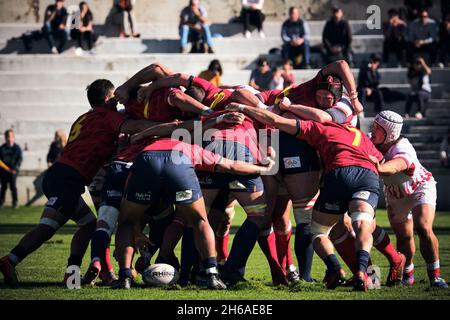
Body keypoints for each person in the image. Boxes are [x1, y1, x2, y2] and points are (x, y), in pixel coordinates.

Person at [0, 79, 173, 286]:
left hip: (59, 175)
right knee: (50, 228)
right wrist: (166, 125)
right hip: (69, 178)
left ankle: (63, 269)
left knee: (86, 225)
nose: (117, 103)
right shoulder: (106, 116)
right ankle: (16, 260)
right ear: (108, 98)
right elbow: (133, 126)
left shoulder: (83, 117)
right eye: (114, 99)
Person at [226, 99, 384, 292]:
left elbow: (275, 119)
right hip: (363, 176)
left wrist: (243, 107)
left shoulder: (321, 127)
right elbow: (382, 162)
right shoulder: (362, 137)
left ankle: (237, 271)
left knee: (270, 218)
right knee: (358, 224)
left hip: (322, 168)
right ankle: (370, 273)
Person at [115, 137, 274, 289]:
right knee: (199, 220)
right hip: (179, 165)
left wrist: (136, 231)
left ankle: (125, 278)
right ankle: (211, 274)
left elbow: (129, 181)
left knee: (126, 222)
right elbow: (230, 166)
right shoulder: (191, 148)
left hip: (146, 163)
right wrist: (263, 169)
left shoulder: (147, 148)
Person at [370, 110, 448, 288]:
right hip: (395, 192)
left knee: (423, 227)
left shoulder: (403, 147)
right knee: (403, 236)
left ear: (390, 133)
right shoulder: (370, 139)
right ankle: (407, 273)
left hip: (420, 186)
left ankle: (435, 276)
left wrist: (378, 167)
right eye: (373, 126)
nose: (372, 130)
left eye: (377, 128)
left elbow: (397, 165)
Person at [0, 129, 22, 209]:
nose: (9, 138)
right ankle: (1, 202)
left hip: (13, 171)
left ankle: (15, 202)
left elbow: (19, 159)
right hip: (3, 171)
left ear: (13, 137)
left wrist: (15, 168)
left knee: (13, 187)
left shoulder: (17, 148)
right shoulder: (2, 148)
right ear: (5, 138)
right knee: (3, 187)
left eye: (11, 136)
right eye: (8, 137)